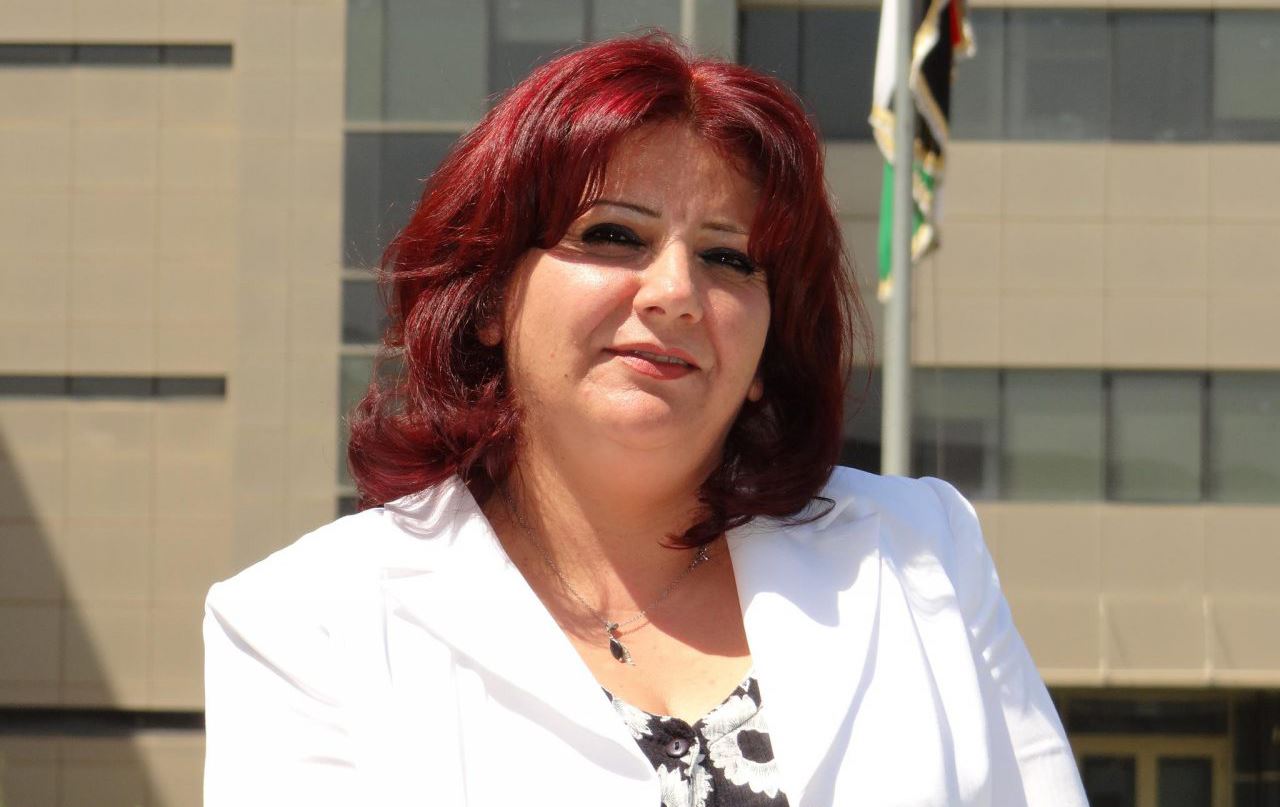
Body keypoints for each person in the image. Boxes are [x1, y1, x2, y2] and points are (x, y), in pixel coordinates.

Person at [203, 34, 1087, 807]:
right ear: (489, 299)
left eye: (728, 257)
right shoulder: (305, 623)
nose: (676, 293)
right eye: (614, 236)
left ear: (766, 349)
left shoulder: (925, 554)